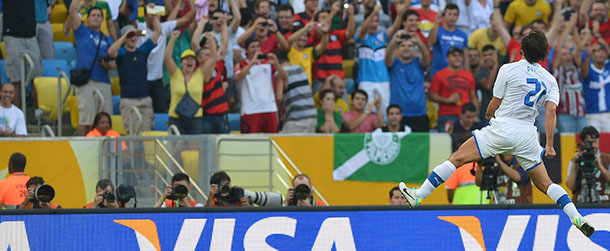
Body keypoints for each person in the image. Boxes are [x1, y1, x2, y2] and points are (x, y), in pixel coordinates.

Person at [399, 30, 595, 238]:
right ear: (544, 54)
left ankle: (418, 195)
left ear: (520, 50)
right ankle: (577, 217)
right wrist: (549, 145)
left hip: (502, 128)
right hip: (527, 135)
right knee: (546, 184)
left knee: (456, 158)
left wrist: (488, 114)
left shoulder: (508, 69)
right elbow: (551, 111)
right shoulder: (550, 79)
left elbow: (495, 102)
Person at [137, 1, 195, 113]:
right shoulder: (141, 28)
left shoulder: (164, 27)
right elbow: (135, 15)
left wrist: (198, 5)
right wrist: (143, 8)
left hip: (158, 80)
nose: (154, 16)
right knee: (143, 113)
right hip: (142, 79)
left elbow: (187, 19)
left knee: (162, 113)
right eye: (150, 13)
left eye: (156, 13)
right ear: (145, 15)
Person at [67, 1, 116, 136]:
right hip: (86, 81)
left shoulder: (108, 39)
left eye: (99, 15)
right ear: (87, 19)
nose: (96, 17)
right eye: (93, 15)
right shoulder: (82, 31)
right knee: (86, 119)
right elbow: (72, 12)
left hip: (104, 80)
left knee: (106, 120)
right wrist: (80, 3)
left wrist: (108, 65)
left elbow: (114, 63)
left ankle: (105, 150)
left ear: (103, 19)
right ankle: (83, 148)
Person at [107, 17, 161, 135]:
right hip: (128, 101)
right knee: (133, 135)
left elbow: (157, 33)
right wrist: (124, 36)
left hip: (145, 99)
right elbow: (111, 52)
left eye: (134, 35)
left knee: (147, 135)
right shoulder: (122, 53)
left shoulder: (142, 51)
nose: (133, 38)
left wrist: (155, 17)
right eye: (130, 36)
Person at [356, 4, 405, 117]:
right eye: (372, 21)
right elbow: (363, 30)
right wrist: (374, 12)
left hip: (383, 80)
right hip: (365, 81)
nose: (374, 24)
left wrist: (400, 14)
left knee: (384, 113)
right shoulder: (361, 37)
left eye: (377, 21)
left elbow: (395, 27)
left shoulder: (382, 37)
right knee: (366, 113)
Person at [165, 31, 216, 134]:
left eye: (192, 59)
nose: (189, 61)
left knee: (195, 147)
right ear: (181, 62)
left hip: (195, 117)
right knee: (176, 147)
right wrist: (173, 39)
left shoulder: (200, 73)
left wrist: (211, 41)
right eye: (186, 59)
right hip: (176, 117)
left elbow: (214, 58)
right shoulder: (175, 74)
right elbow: (167, 57)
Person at [235, 37, 287, 133]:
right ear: (246, 50)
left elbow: (284, 77)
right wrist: (251, 63)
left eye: (258, 47)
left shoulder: (268, 63)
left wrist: (277, 64)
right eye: (252, 47)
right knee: (250, 143)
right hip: (250, 110)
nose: (256, 50)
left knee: (272, 142)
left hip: (269, 108)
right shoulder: (241, 65)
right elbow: (239, 77)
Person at [385, 30, 429, 132]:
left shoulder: (419, 63)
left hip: (419, 113)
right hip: (400, 115)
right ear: (398, 49)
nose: (406, 48)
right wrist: (394, 41)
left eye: (409, 46)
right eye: (403, 45)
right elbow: (387, 57)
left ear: (413, 48)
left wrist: (419, 42)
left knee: (421, 146)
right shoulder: (394, 64)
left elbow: (426, 57)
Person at [3, 0, 43, 108]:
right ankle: (17, 117)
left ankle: (38, 115)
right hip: (12, 34)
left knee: (37, 79)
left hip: (30, 34)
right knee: (16, 79)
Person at [429, 47, 478, 132]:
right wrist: (447, 100)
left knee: (466, 142)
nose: (457, 58)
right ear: (447, 58)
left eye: (459, 55)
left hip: (466, 116)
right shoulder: (439, 75)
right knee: (446, 143)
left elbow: (473, 96)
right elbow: (432, 96)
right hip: (446, 115)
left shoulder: (468, 75)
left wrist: (475, 114)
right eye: (454, 56)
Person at [551, 18, 586, 133]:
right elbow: (557, 49)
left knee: (583, 144)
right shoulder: (557, 69)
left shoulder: (576, 66)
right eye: (564, 54)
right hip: (565, 114)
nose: (567, 56)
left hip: (581, 113)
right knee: (568, 145)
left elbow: (579, 48)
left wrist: (574, 29)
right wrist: (566, 30)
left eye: (569, 54)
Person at [310, 5, 355, 93]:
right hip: (321, 80)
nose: (327, 19)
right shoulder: (315, 34)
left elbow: (350, 33)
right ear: (316, 22)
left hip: (338, 79)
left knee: (343, 106)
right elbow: (322, 29)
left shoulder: (336, 34)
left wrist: (351, 15)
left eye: (328, 17)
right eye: (323, 17)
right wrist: (332, 13)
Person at [566, 126, 610, 203]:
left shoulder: (607, 159)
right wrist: (574, 165)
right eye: (590, 142)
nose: (593, 145)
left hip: (604, 202)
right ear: (583, 143)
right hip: (580, 202)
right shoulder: (576, 159)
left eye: (595, 141)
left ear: (599, 141)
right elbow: (570, 186)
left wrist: (600, 167)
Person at [279, 53, 318, 133]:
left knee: (287, 145)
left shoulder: (279, 73)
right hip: (312, 115)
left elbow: (279, 97)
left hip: (296, 118)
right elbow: (310, 91)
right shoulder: (300, 69)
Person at [428, 4, 468, 77]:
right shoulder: (437, 30)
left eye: (455, 15)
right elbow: (431, 43)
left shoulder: (463, 35)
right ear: (444, 15)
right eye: (449, 14)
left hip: (456, 75)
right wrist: (436, 23)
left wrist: (467, 75)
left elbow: (465, 58)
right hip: (438, 74)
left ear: (458, 16)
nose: (452, 17)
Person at [580, 43, 610, 132]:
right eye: (597, 51)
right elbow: (584, 74)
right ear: (593, 54)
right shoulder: (588, 68)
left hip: (608, 113)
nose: (600, 53)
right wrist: (588, 55)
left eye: (603, 51)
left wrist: (600, 40)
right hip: (592, 114)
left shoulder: (608, 68)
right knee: (594, 142)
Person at [475, 45, 499, 124]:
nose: (488, 57)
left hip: (501, 112)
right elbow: (488, 85)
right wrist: (495, 65)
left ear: (496, 55)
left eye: (490, 54)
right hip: (486, 113)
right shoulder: (479, 72)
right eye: (485, 55)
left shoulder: (503, 70)